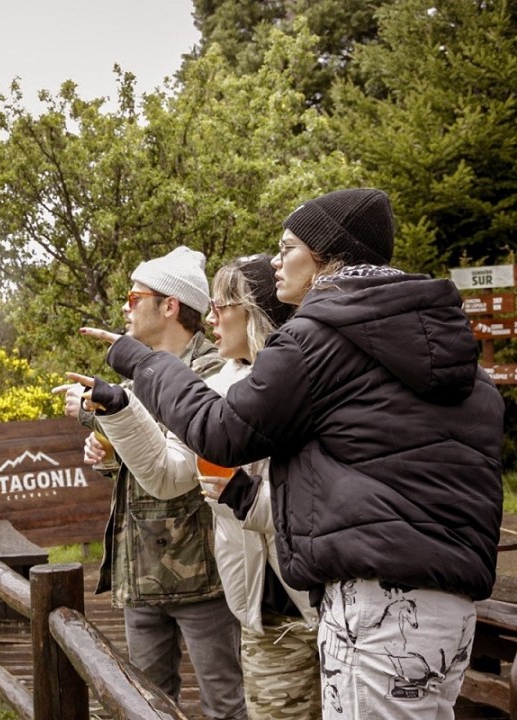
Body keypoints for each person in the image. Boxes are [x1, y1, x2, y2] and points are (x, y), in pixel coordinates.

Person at [80, 188, 503, 720]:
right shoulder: (454, 354)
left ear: (326, 255)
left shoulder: (319, 339)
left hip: (374, 608)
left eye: (287, 248)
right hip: (451, 608)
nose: (275, 262)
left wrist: (143, 362)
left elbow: (221, 431)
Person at [74, 254, 320, 719]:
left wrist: (245, 497)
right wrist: (120, 410)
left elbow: (327, 502)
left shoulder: (307, 379)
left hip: (317, 599)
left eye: (221, 305)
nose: (211, 318)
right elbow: (168, 473)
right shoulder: (224, 385)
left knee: (226, 703)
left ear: (253, 312)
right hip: (262, 608)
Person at [54, 245, 248, 720]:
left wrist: (101, 414)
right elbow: (143, 454)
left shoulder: (215, 368)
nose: (125, 307)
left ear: (170, 306)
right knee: (145, 706)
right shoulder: (139, 375)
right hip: (141, 571)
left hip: (204, 573)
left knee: (225, 704)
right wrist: (107, 454)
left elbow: (180, 448)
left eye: (133, 297)